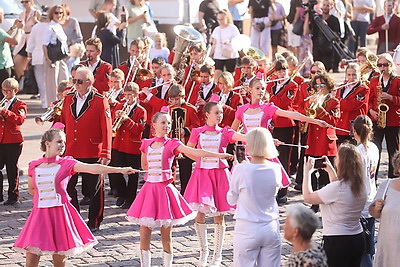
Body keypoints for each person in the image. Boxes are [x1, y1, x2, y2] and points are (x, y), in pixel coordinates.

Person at [13, 126, 135, 267]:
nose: (63, 145)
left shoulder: (66, 163)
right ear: (47, 143)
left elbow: (93, 168)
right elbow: (32, 190)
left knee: (59, 257)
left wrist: (119, 170)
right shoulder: (34, 165)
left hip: (59, 214)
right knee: (31, 256)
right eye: (59, 141)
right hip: (39, 215)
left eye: (64, 142)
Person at [126, 110, 232, 267]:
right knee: (144, 233)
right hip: (148, 191)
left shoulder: (173, 143)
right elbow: (144, 166)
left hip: (164, 191)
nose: (167, 126)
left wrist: (219, 156)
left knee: (166, 237)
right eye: (163, 123)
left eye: (169, 123)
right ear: (154, 125)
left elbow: (194, 151)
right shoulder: (146, 144)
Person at [184, 101, 247, 267]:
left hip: (219, 175)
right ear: (206, 114)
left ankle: (217, 255)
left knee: (219, 214)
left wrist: (264, 137)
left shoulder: (225, 132)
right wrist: (200, 160)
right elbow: (189, 151)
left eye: (221, 113)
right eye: (216, 113)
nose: (219, 115)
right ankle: (203, 252)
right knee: (200, 213)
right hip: (202, 174)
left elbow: (242, 137)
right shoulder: (197, 132)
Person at [60, 67, 112, 232]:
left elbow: (107, 127)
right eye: (74, 80)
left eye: (79, 81)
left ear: (89, 82)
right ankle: (75, 218)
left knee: (94, 189)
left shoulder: (99, 99)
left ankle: (94, 221)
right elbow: (63, 121)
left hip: (92, 150)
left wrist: (106, 152)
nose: (75, 84)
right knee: (68, 187)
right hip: (71, 151)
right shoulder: (68, 97)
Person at [303, 143, 367, 267]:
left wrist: (307, 172)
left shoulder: (337, 189)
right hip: (357, 237)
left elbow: (308, 197)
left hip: (338, 241)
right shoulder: (360, 185)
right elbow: (339, 191)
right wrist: (331, 171)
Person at [227, 127, 282, 267]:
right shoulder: (275, 168)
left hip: (247, 227)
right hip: (270, 225)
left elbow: (231, 199)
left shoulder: (241, 169)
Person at [109, 82, 146, 209]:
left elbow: (139, 130)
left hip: (132, 146)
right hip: (118, 144)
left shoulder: (141, 111)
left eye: (130, 95)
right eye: (125, 95)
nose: (127, 97)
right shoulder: (119, 106)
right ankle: (122, 194)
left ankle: (131, 198)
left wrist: (127, 119)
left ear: (136, 95)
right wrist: (116, 117)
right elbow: (113, 123)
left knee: (132, 175)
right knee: (116, 170)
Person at [367, 53, 400, 178]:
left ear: (391, 66)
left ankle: (393, 179)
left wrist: (391, 97)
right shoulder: (374, 81)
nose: (382, 68)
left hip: (393, 121)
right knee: (375, 151)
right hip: (377, 119)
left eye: (385, 65)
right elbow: (368, 100)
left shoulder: (397, 81)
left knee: (393, 151)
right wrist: (371, 111)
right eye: (379, 65)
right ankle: (373, 179)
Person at [353, 115, 379, 267]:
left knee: (362, 249)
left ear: (354, 131)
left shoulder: (356, 151)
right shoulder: (374, 148)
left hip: (359, 201)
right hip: (372, 197)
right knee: (369, 243)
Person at [167, 84, 200, 194]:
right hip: (171, 142)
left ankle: (185, 192)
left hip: (185, 144)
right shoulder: (169, 109)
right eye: (172, 99)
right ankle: (170, 190)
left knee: (185, 171)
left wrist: (185, 130)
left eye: (177, 99)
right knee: (170, 169)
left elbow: (196, 126)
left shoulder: (190, 109)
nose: (175, 102)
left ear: (183, 96)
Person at [369, 151, 400, 267]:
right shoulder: (386, 185)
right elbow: (373, 213)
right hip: (388, 249)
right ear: (398, 169)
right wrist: (377, 208)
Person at [0, 78, 27, 205]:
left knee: (11, 168)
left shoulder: (20, 104)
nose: (5, 93)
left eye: (8, 91)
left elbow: (19, 120)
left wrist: (4, 111)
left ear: (15, 91)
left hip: (13, 141)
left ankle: (13, 195)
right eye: (3, 90)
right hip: (1, 140)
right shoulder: (1, 102)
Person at [335, 63, 369, 145]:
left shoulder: (364, 89)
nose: (351, 78)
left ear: (359, 74)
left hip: (353, 127)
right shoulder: (341, 87)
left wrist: (337, 99)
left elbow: (351, 106)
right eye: (349, 75)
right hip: (340, 125)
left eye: (354, 75)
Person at [42, 5, 69, 107]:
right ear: (52, 14)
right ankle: (52, 106)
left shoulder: (59, 26)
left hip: (60, 58)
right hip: (51, 58)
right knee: (52, 84)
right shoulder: (49, 27)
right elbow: (44, 45)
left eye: (61, 13)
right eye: (56, 13)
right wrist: (48, 59)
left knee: (64, 79)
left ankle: (61, 104)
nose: (59, 15)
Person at [307, 0, 341, 72]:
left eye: (327, 5)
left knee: (326, 69)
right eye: (324, 5)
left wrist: (326, 27)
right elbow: (309, 31)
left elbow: (337, 35)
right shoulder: (316, 19)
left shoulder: (334, 20)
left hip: (328, 49)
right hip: (317, 48)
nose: (325, 7)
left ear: (331, 7)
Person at [13, 0, 41, 80]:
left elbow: (42, 26)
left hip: (34, 38)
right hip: (24, 38)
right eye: (22, 2)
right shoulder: (21, 14)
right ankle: (21, 80)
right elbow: (19, 26)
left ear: (31, 2)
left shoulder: (36, 12)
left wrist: (36, 21)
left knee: (31, 63)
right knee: (16, 60)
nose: (24, 4)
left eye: (26, 1)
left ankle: (29, 82)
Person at [26, 12, 49, 108]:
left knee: (41, 81)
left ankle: (44, 102)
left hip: (37, 56)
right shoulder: (50, 26)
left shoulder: (36, 27)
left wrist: (29, 55)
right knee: (49, 80)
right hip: (48, 57)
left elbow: (30, 43)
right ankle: (49, 101)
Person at [0, 8, 23, 99]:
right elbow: (15, 41)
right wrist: (19, 30)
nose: (3, 16)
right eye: (2, 14)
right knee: (5, 92)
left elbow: (4, 38)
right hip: (3, 66)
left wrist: (13, 27)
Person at [211, 9, 240, 79]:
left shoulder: (232, 28)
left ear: (226, 18)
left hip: (230, 54)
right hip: (219, 54)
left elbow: (238, 38)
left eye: (222, 19)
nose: (220, 21)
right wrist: (211, 53)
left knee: (230, 74)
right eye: (218, 19)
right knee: (217, 74)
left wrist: (229, 41)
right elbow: (214, 43)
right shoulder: (217, 29)